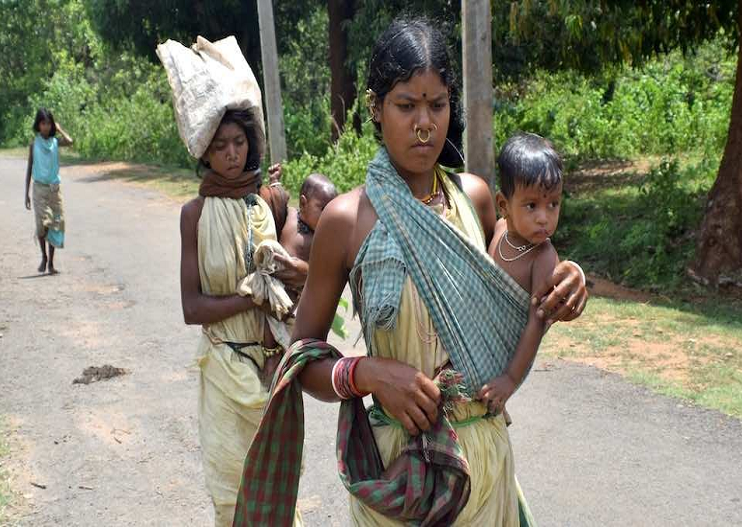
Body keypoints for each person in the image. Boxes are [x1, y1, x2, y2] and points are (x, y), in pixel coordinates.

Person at [235, 17, 587, 526]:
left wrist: (569, 280)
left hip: (482, 464)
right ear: (376, 108)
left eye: (438, 105)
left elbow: (522, 281)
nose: (424, 123)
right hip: (398, 473)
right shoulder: (345, 221)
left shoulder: (477, 200)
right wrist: (368, 374)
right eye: (406, 105)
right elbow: (301, 359)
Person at [178, 108, 304, 526]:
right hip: (222, 367)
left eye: (239, 142)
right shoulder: (194, 215)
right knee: (233, 496)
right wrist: (250, 297)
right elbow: (192, 308)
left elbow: (284, 292)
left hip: (268, 369)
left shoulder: (262, 209)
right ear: (205, 153)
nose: (232, 154)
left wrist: (274, 350)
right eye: (220, 146)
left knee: (276, 490)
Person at [478, 133, 564, 416]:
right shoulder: (499, 229)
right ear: (503, 205)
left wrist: (510, 380)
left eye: (553, 204)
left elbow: (537, 324)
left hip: (502, 358)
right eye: (532, 206)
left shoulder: (543, 258)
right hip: (477, 333)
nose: (544, 217)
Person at [24, 108, 73, 274]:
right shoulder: (34, 144)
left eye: (48, 123)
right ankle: (43, 256)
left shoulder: (55, 142)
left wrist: (59, 129)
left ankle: (51, 263)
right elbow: (29, 168)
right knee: (42, 226)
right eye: (43, 123)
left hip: (54, 190)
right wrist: (26, 194)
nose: (46, 127)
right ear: (38, 125)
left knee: (56, 224)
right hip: (39, 190)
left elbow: (71, 141)